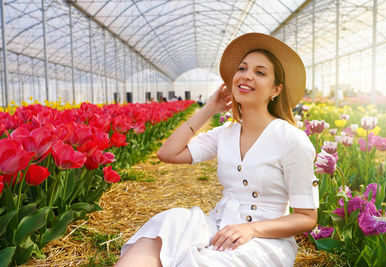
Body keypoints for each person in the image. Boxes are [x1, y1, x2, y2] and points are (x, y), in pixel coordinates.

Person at [115, 33, 318, 267]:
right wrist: (210, 108)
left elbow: (306, 218)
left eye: (260, 72)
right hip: (216, 226)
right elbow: (168, 153)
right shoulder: (226, 132)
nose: (246, 76)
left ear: (276, 90)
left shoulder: (292, 139)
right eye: (242, 69)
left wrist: (251, 229)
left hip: (264, 240)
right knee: (169, 223)